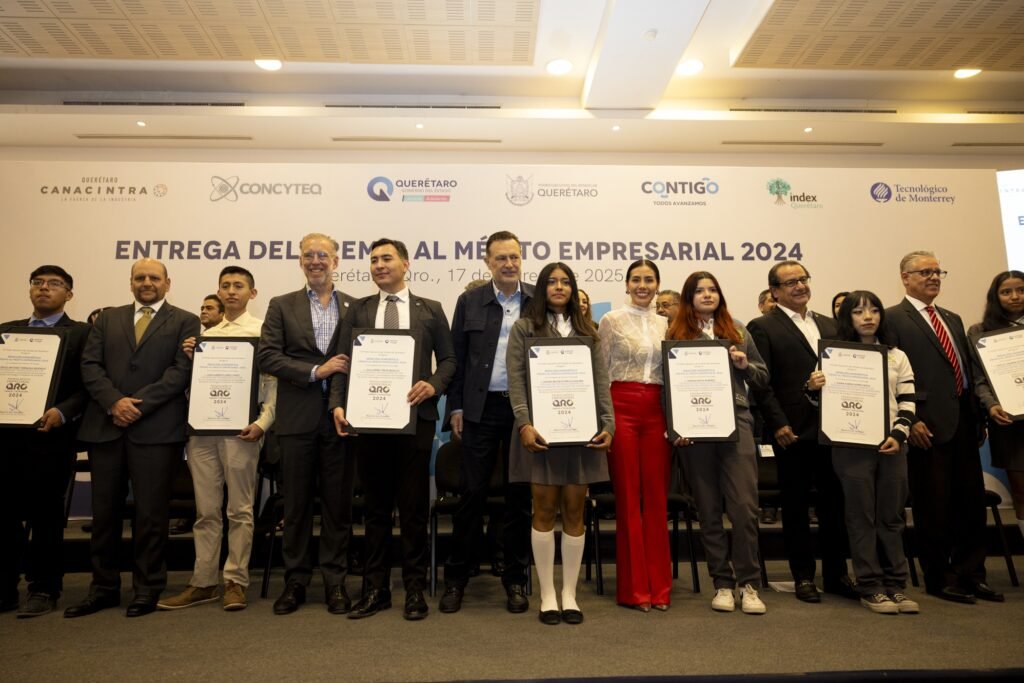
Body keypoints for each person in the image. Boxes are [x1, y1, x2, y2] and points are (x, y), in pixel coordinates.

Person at [65, 258, 199, 619]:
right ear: (130, 282)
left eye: (154, 277)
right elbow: (90, 366)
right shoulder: (107, 319)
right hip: (106, 426)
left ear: (167, 283)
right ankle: (103, 588)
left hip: (156, 429)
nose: (147, 282)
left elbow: (181, 372)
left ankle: (147, 588)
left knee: (152, 515)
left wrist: (137, 405)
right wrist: (114, 402)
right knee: (104, 514)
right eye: (140, 277)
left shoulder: (186, 321)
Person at [332, 238, 456, 621]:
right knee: (375, 511)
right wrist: (337, 404)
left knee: (414, 510)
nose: (379, 265)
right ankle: (376, 590)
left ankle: (415, 590)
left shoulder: (430, 309)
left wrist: (433, 385)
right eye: (373, 260)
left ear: (406, 263)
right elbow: (342, 361)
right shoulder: (358, 310)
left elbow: (449, 360)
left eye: (387, 258)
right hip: (369, 424)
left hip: (415, 422)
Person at [883, 251, 1001, 604]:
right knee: (933, 506)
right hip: (925, 427)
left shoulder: (952, 317)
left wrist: (978, 417)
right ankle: (939, 577)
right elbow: (892, 377)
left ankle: (972, 574)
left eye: (937, 272)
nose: (933, 277)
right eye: (924, 272)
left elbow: (963, 370)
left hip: (964, 423)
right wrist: (912, 420)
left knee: (970, 504)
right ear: (905, 277)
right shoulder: (892, 318)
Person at [159, 266, 277, 612]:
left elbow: (273, 387)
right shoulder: (204, 338)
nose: (231, 291)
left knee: (239, 510)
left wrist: (263, 423)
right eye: (225, 286)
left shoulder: (263, 332)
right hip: (202, 432)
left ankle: (236, 581)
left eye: (238, 286)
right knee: (206, 511)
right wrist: (190, 361)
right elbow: (191, 389)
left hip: (243, 432)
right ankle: (204, 582)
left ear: (252, 293)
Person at [506, 262, 614, 625]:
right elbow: (516, 381)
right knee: (542, 511)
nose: (559, 287)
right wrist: (524, 424)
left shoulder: (588, 333)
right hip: (540, 434)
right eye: (551, 282)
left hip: (581, 435)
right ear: (541, 289)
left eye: (565, 282)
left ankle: (569, 593)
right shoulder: (524, 329)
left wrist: (608, 423)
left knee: (574, 512)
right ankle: (547, 594)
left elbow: (601, 382)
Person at [257, 233, 357, 616]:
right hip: (296, 420)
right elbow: (268, 356)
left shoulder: (356, 306)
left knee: (337, 506)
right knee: (296, 506)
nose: (316, 260)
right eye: (308, 255)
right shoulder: (281, 305)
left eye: (322, 255)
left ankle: (335, 581)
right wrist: (317, 371)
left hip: (341, 420)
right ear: (300, 261)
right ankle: (295, 581)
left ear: (336, 260)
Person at [747, 260, 854, 603]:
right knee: (795, 506)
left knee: (834, 504)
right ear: (775, 291)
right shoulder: (763, 326)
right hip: (792, 431)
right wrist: (778, 423)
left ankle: (837, 575)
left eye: (803, 279)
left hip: (834, 429)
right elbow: (762, 384)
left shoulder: (830, 324)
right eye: (790, 282)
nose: (799, 286)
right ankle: (803, 576)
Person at [808, 291, 919, 615]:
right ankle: (870, 586)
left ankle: (896, 585)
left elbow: (908, 401)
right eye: (858, 312)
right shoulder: (833, 355)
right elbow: (817, 402)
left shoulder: (897, 355)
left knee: (892, 518)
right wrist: (812, 387)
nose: (868, 317)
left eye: (873, 310)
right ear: (848, 318)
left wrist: (899, 434)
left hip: (892, 445)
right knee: (860, 518)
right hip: (850, 447)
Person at [440, 231, 534, 614]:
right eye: (501, 258)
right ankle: (456, 579)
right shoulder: (470, 301)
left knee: (519, 499)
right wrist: (456, 407)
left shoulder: (537, 301)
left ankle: (515, 579)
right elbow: (456, 358)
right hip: (479, 410)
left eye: (514, 257)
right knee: (471, 496)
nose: (509, 264)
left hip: (524, 412)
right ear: (488, 262)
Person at [668, 271, 769, 615]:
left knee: (744, 508)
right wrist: (674, 427)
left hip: (736, 422)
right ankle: (723, 584)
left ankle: (749, 584)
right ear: (689, 297)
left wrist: (744, 364)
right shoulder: (675, 334)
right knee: (708, 510)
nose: (707, 295)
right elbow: (666, 386)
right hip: (694, 429)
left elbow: (762, 376)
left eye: (712, 290)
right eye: (700, 291)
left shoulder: (737, 329)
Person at [0, 266, 89, 618]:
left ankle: (44, 588)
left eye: (54, 284)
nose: (44, 288)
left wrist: (63, 411)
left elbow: (88, 385)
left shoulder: (81, 334)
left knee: (46, 514)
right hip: (6, 438)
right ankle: (5, 588)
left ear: (69, 294)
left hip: (51, 438)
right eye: (37, 283)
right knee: (3, 514)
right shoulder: (7, 332)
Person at [597, 259, 671, 611]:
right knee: (628, 499)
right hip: (620, 407)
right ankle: (634, 590)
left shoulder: (668, 324)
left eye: (649, 279)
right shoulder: (611, 320)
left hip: (657, 410)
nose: (643, 285)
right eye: (636, 279)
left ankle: (660, 589)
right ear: (626, 284)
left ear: (657, 285)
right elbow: (601, 372)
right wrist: (605, 420)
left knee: (656, 499)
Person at [968, 271, 1024, 542]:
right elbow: (978, 378)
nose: (1014, 296)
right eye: (1006, 292)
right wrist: (990, 405)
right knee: (1021, 492)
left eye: (1021, 290)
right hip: (1008, 421)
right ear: (995, 296)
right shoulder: (980, 332)